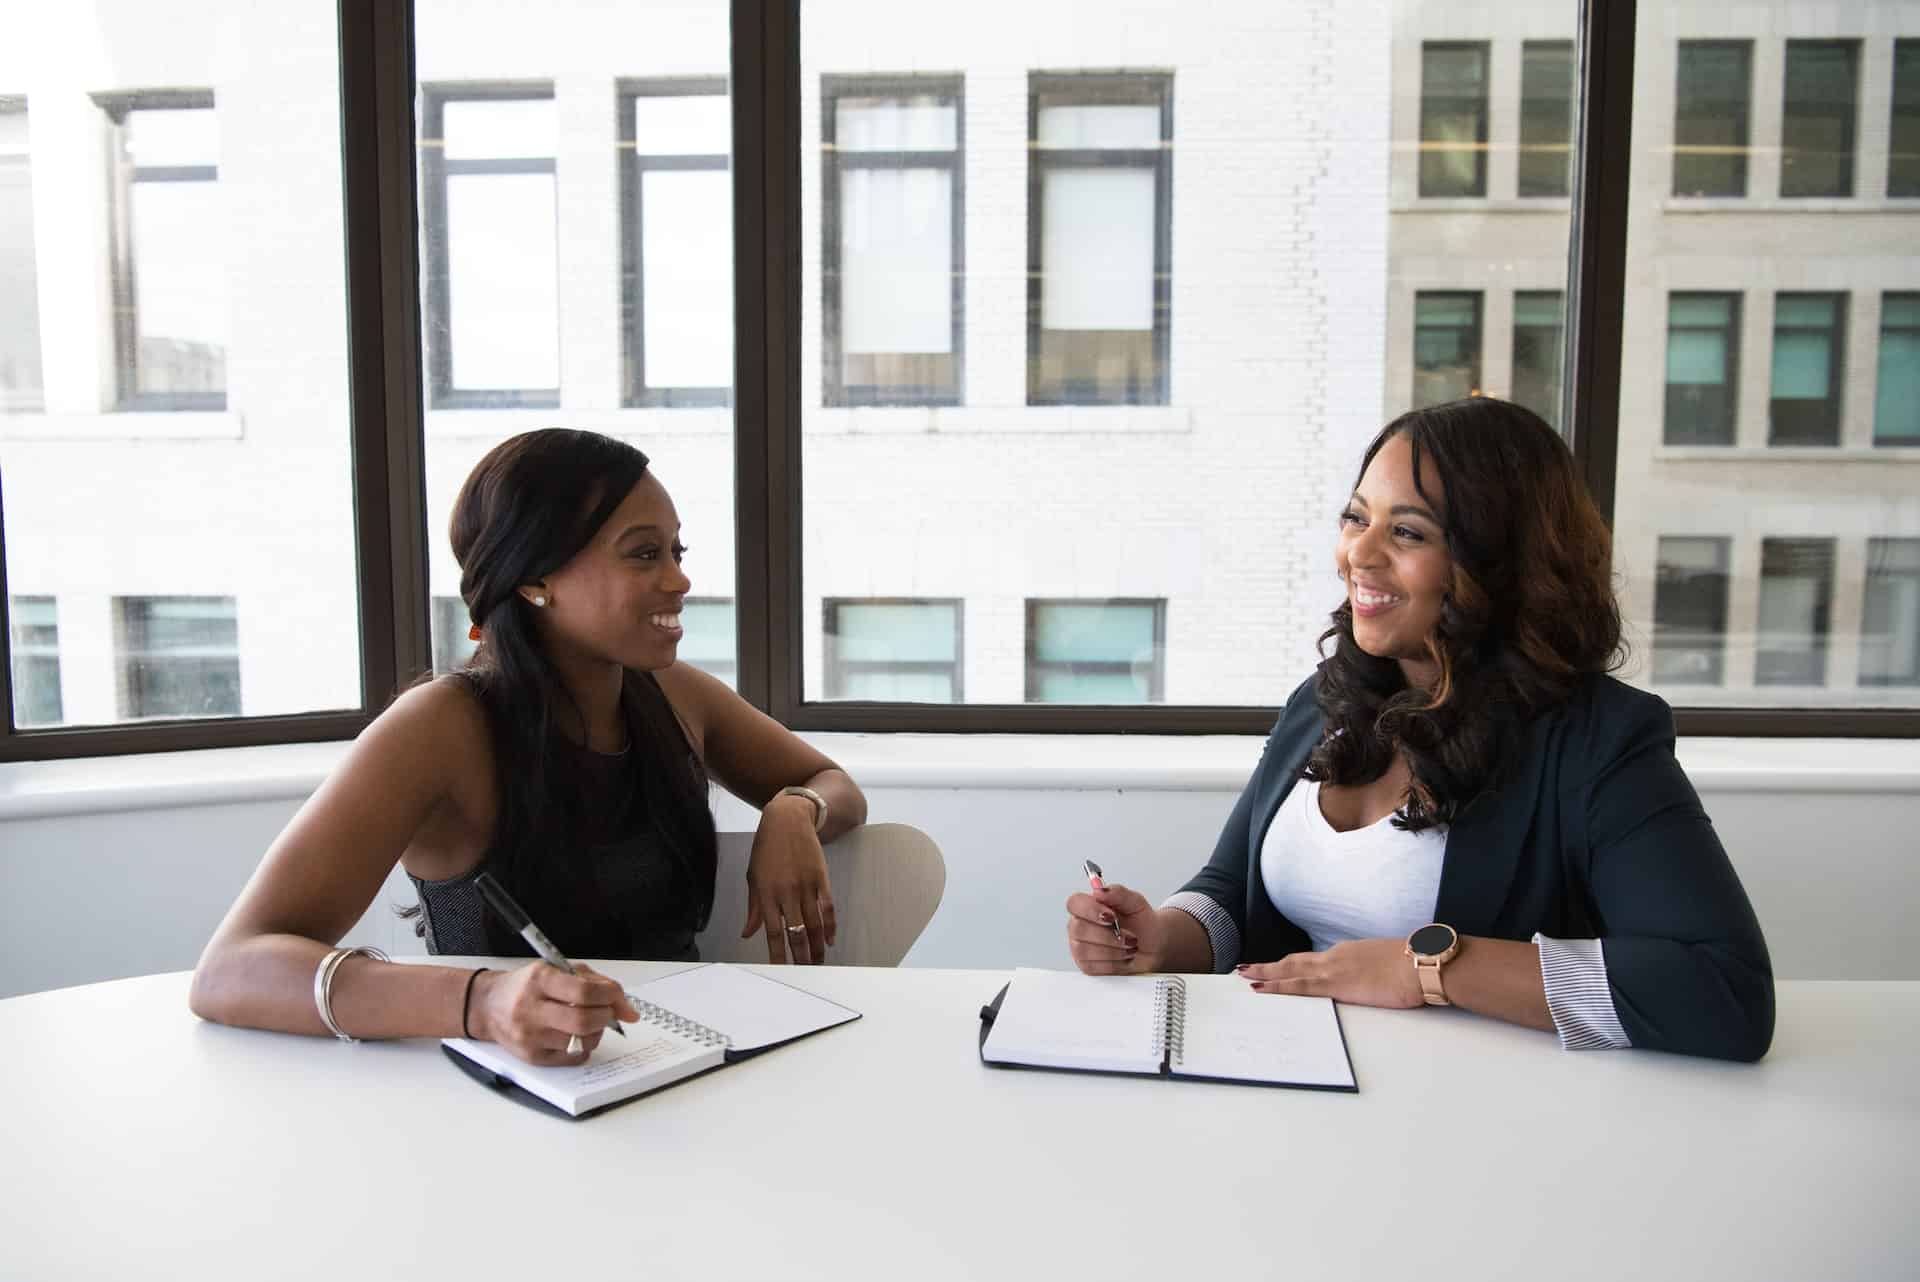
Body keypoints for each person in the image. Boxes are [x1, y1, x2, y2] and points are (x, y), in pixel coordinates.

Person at [1065, 398, 1774, 1062]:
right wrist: (1162, 937)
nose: (1359, 554)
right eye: (1355, 517)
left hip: (1470, 1123)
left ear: (1498, 564)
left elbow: (1723, 990)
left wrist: (1428, 966)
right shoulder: (1323, 702)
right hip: (1294, 1086)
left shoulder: (1598, 740)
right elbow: (1232, 890)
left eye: (1406, 531)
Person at [191, 429, 867, 1065]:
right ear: (536, 577)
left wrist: (792, 809)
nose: (679, 581)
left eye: (676, 552)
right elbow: (231, 969)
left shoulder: (674, 693)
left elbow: (831, 782)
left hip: (669, 1072)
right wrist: (485, 1001)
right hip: (494, 1098)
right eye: (643, 553)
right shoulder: (439, 726)